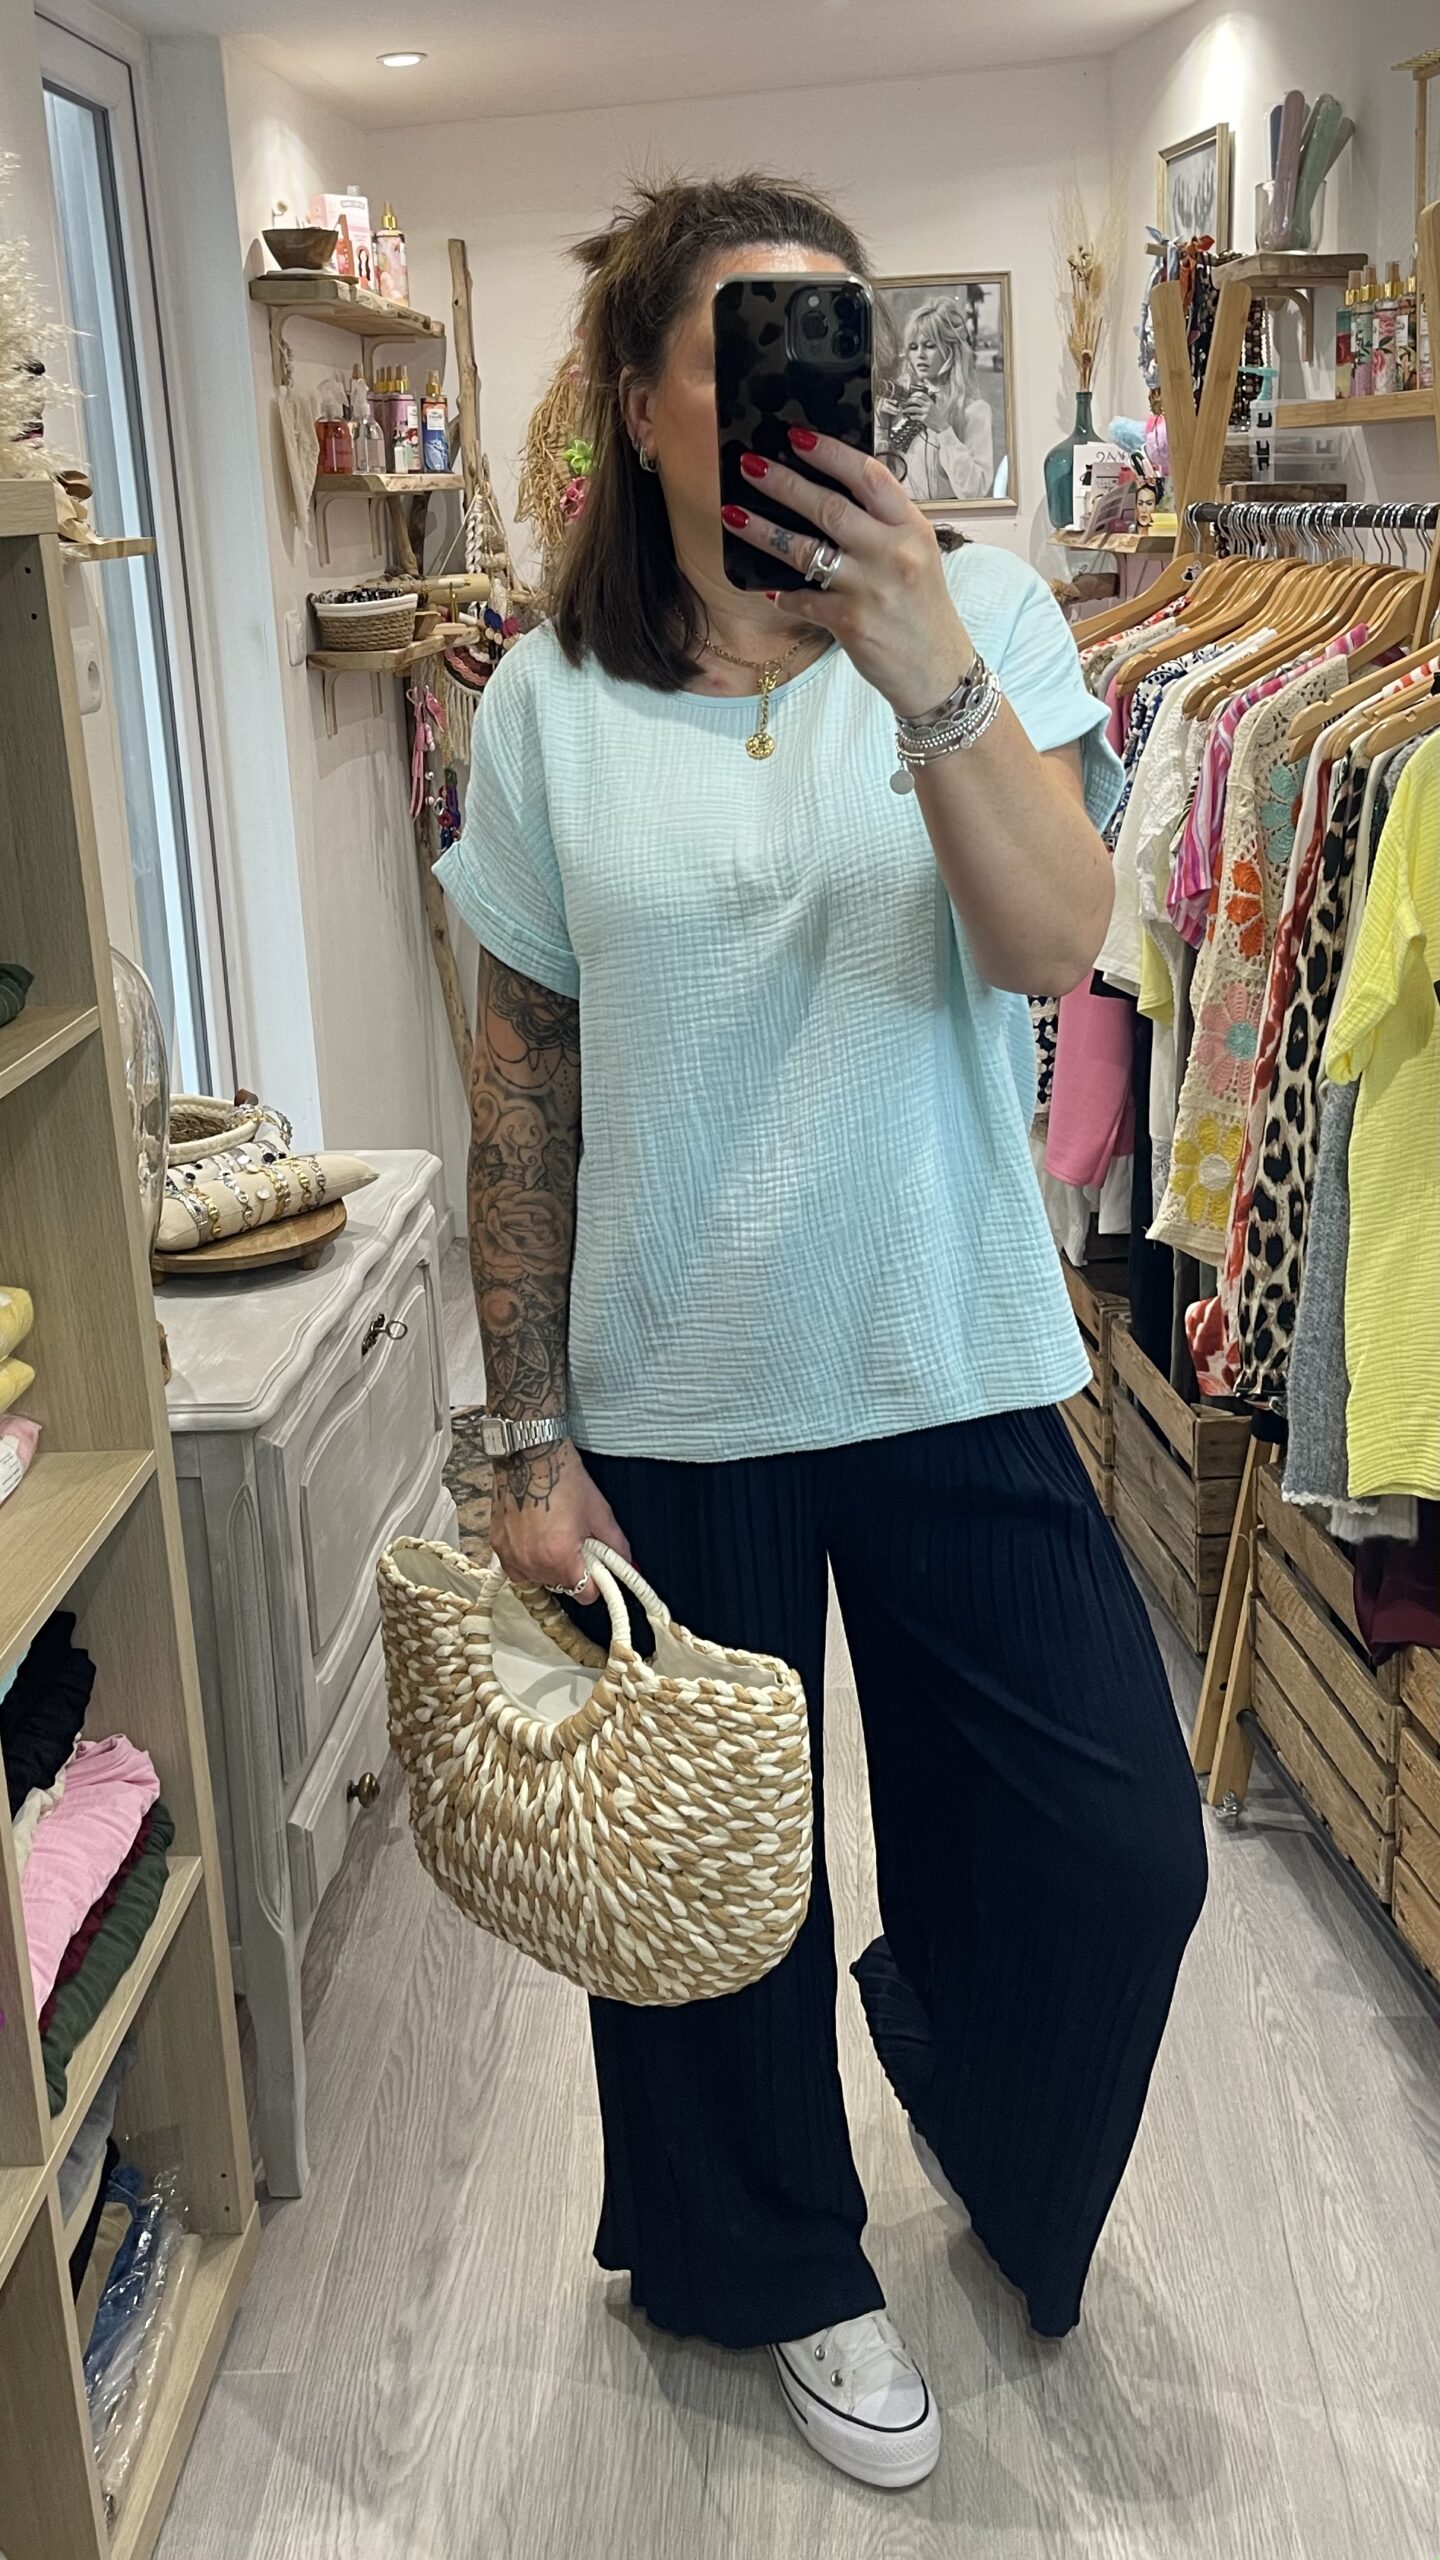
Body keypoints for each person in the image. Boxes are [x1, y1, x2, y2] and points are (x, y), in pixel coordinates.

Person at [436, 172, 1207, 2496]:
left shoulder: (978, 608)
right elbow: (517, 1084)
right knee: (706, 1894)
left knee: (1111, 1846)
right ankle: (770, 2258)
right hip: (673, 1388)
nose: (812, 391)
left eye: (840, 346)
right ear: (642, 397)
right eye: (757, 346)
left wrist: (923, 660)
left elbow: (1049, 945)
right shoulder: (547, 701)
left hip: (951, 1345)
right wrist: (522, 1434)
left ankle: (968, 2096)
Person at [882, 295, 996, 502]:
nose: (920, 355)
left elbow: (975, 491)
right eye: (913, 347)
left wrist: (943, 430)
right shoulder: (901, 407)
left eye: (929, 345)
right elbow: (878, 485)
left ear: (949, 350)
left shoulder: (974, 412)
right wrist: (881, 428)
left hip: (951, 518)